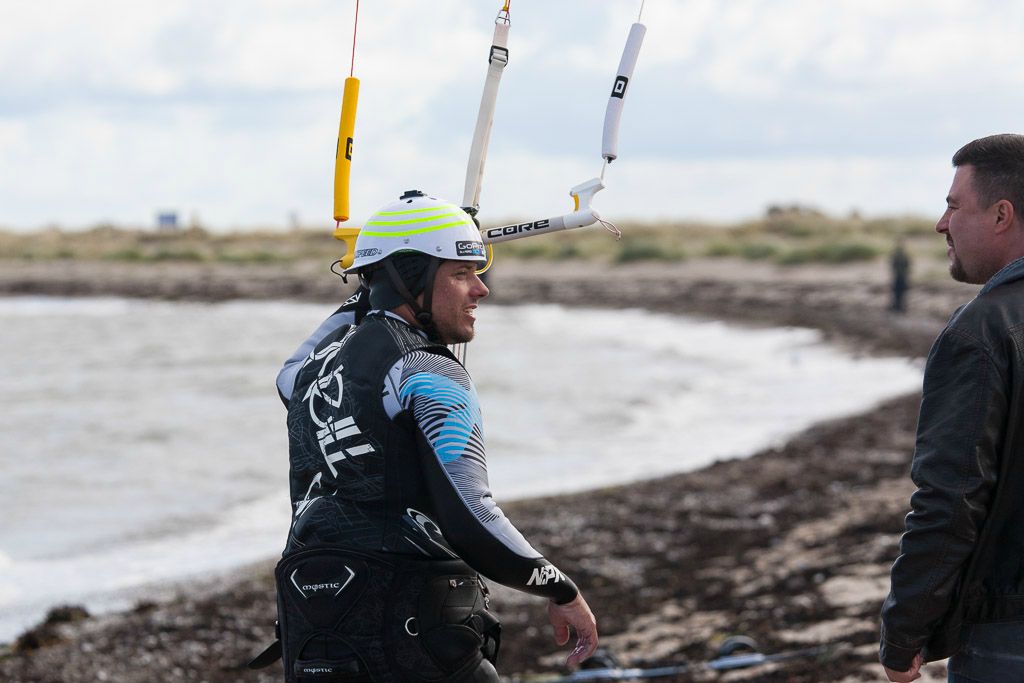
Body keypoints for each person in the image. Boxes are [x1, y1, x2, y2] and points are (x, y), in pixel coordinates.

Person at [267, 190, 598, 682]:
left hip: (323, 638)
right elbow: (470, 516)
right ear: (412, 279)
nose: (481, 290)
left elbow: (294, 364)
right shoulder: (427, 372)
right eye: (462, 274)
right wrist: (560, 589)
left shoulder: (307, 375)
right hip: (414, 647)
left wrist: (372, 279)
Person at [879, 134, 1024, 683]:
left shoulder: (984, 331)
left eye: (954, 205)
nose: (942, 223)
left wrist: (905, 633)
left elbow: (950, 498)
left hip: (1009, 630)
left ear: (1002, 215)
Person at [890, 238, 911, 313]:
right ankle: (897, 306)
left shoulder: (900, 254)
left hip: (901, 276)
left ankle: (898, 306)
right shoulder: (899, 254)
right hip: (899, 276)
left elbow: (907, 265)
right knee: (897, 293)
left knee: (899, 293)